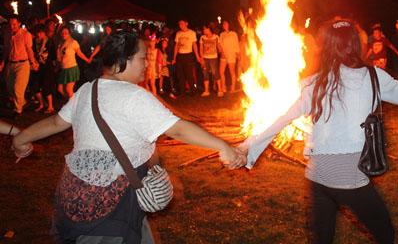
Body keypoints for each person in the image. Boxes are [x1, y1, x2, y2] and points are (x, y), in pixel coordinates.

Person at [11, 30, 245, 243]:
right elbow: (177, 128)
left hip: (76, 194)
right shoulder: (134, 96)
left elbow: (55, 123)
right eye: (142, 58)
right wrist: (223, 146)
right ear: (125, 60)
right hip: (113, 203)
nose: (146, 64)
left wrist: (21, 139)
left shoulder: (87, 89)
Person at [238, 18, 398, 244]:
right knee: (385, 234)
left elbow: (281, 120)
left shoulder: (315, 83)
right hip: (349, 175)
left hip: (318, 176)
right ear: (355, 44)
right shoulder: (372, 77)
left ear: (327, 47)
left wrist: (247, 149)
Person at [0, 16, 39, 118]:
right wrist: (3, 62)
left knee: (18, 88)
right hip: (11, 63)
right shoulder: (7, 34)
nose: (12, 26)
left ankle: (18, 111)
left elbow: (29, 49)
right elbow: (7, 49)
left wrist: (33, 62)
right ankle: (24, 102)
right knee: (10, 87)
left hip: (23, 63)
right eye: (10, 24)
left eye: (14, 24)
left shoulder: (26, 35)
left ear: (19, 23)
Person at [57, 26, 91, 99]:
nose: (64, 35)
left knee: (68, 89)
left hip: (71, 68)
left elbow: (79, 53)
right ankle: (71, 103)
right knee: (60, 89)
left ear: (69, 34)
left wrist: (87, 60)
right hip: (64, 68)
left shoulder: (73, 42)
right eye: (62, 33)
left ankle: (73, 105)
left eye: (66, 33)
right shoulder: (61, 43)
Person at [31, 25, 56, 113]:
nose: (39, 34)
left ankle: (50, 106)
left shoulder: (49, 41)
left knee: (46, 86)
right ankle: (42, 103)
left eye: (41, 32)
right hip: (37, 65)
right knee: (35, 85)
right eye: (38, 32)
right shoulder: (34, 41)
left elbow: (53, 55)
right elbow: (32, 52)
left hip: (47, 66)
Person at [174, 19, 201, 96]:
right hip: (180, 55)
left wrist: (197, 56)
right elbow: (176, 46)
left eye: (182, 24)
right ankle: (182, 92)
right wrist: (174, 58)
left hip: (188, 55)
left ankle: (193, 91)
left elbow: (194, 45)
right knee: (180, 75)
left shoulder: (192, 33)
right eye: (179, 24)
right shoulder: (179, 33)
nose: (181, 26)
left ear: (186, 23)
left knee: (189, 74)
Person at [199, 22, 224, 96]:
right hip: (205, 58)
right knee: (205, 74)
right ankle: (206, 91)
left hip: (213, 58)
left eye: (205, 29)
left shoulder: (216, 37)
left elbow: (219, 46)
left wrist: (222, 53)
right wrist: (201, 58)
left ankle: (220, 90)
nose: (203, 30)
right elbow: (201, 48)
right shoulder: (202, 38)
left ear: (209, 29)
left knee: (215, 73)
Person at [218, 20, 240, 93]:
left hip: (231, 54)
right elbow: (220, 44)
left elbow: (236, 44)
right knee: (221, 71)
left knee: (232, 71)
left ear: (229, 25)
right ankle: (223, 87)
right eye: (223, 24)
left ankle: (233, 88)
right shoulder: (221, 34)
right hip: (224, 54)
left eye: (225, 23)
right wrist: (221, 52)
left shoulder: (233, 34)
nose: (224, 25)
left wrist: (238, 53)